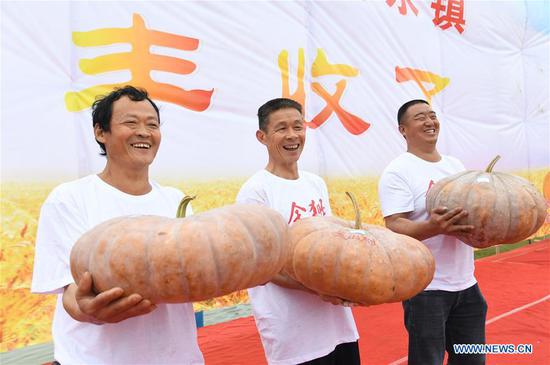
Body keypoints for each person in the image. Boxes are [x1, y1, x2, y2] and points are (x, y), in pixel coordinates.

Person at [31, 86, 204, 364]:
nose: (144, 132)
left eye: (152, 124)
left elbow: (195, 274)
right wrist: (89, 310)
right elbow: (72, 292)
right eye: (130, 123)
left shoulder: (175, 199)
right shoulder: (69, 199)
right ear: (101, 132)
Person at [236, 98, 360, 365]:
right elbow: (262, 266)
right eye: (281, 128)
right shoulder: (256, 191)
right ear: (262, 136)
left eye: (298, 126)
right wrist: (318, 289)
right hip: (292, 331)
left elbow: (328, 241)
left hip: (337, 323)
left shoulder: (314, 183)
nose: (292, 136)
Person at [378, 99, 487, 365]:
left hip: (467, 285)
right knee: (428, 360)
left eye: (432, 115)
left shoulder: (454, 166)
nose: (429, 122)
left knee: (471, 361)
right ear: (403, 130)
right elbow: (394, 225)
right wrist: (433, 227)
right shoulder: (397, 171)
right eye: (419, 117)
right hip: (426, 289)